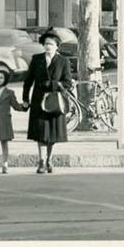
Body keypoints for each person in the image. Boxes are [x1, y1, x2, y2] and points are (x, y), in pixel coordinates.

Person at [22, 30, 75, 174]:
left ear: (57, 46)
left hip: (55, 102)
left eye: (51, 44)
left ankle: (49, 160)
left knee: (52, 134)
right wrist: (25, 99)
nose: (48, 47)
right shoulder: (36, 59)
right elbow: (28, 81)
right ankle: (41, 162)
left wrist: (54, 85)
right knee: (41, 133)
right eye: (46, 44)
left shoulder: (63, 61)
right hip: (39, 100)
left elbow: (68, 83)